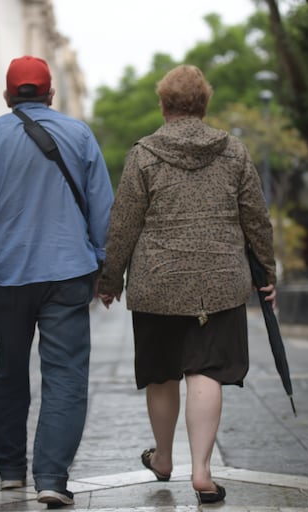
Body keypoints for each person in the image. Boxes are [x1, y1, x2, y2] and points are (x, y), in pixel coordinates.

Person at [96, 65, 276, 505]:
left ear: (163, 105)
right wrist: (266, 272)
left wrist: (110, 278)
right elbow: (256, 216)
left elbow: (124, 223)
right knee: (206, 371)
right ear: (204, 104)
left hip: (158, 284)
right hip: (220, 283)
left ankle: (162, 458)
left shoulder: (143, 154)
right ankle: (202, 470)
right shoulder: (233, 151)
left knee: (162, 374)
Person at [0, 55, 113, 507]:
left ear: (6, 96)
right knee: (65, 377)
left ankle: (10, 472)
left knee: (10, 369)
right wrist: (104, 267)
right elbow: (103, 209)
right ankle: (52, 479)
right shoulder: (79, 135)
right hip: (68, 274)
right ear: (50, 94)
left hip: (9, 275)